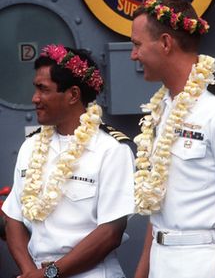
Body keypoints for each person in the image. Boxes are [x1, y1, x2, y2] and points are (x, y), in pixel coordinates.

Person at [130, 0, 215, 278]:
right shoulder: (160, 110)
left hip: (205, 261)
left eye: (137, 45)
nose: (133, 55)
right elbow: (158, 203)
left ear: (165, 43)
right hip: (161, 260)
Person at [2, 44, 135, 278]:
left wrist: (50, 274)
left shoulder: (111, 149)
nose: (35, 98)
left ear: (73, 95)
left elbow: (111, 232)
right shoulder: (30, 146)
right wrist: (30, 271)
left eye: (43, 89)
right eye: (35, 89)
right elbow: (13, 217)